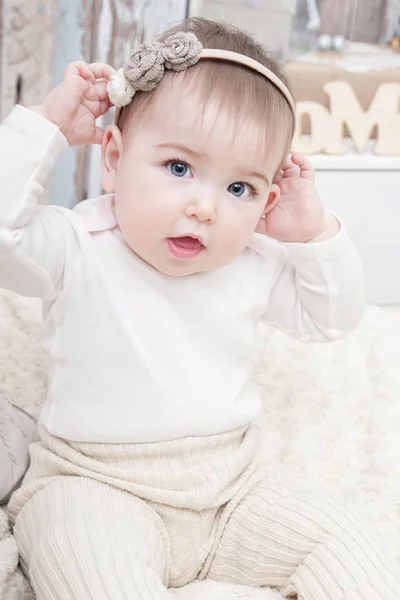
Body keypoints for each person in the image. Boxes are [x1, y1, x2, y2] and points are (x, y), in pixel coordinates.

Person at [1, 16, 398, 600]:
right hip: (96, 485)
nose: (206, 208)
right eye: (179, 168)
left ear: (266, 199)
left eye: (240, 189)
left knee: (352, 544)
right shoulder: (76, 244)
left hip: (233, 493)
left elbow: (332, 316)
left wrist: (312, 234)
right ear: (113, 158)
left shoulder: (249, 261)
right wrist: (48, 127)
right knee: (90, 569)